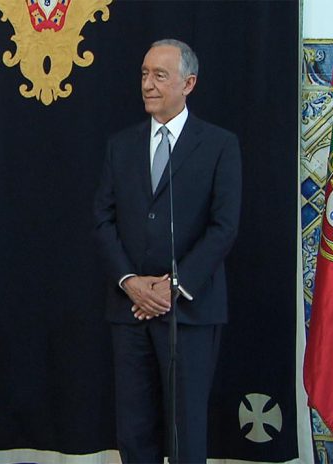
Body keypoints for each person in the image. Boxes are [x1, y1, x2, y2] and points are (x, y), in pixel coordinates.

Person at [93, 39, 241, 463]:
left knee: (186, 432)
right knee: (134, 433)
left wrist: (172, 287)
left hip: (189, 313)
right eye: (144, 74)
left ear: (188, 83)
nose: (148, 85)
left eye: (160, 76)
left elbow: (224, 227)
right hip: (129, 309)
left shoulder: (218, 145)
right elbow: (102, 220)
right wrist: (131, 283)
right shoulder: (120, 145)